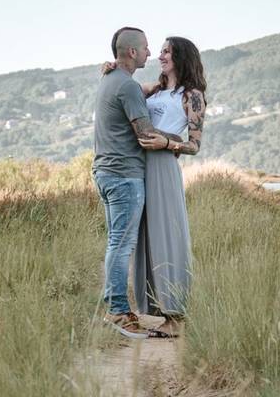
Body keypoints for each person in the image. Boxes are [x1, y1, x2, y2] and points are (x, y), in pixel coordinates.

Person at [92, 27, 183, 339]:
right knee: (121, 243)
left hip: (105, 172)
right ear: (132, 52)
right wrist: (179, 141)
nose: (150, 53)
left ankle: (118, 307)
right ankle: (117, 311)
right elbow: (146, 136)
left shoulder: (110, 79)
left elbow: (140, 94)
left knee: (116, 241)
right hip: (125, 176)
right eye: (145, 47)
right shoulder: (126, 87)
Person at [133, 36, 206, 337]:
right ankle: (156, 309)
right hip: (140, 165)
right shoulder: (157, 89)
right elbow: (129, 89)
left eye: (166, 52)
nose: (160, 56)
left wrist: (166, 143)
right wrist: (113, 68)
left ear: (181, 57)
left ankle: (176, 316)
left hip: (163, 165)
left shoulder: (192, 96)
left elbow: (195, 145)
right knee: (147, 237)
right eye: (160, 51)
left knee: (168, 236)